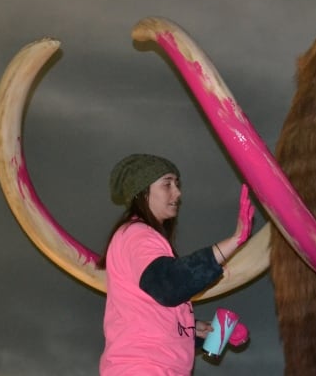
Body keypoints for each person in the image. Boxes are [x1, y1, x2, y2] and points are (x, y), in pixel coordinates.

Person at [97, 153, 254, 375]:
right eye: (167, 184)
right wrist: (234, 240)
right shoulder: (137, 235)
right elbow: (169, 285)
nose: (177, 193)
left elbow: (156, 317)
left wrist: (197, 330)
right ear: (142, 192)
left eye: (177, 184)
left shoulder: (142, 238)